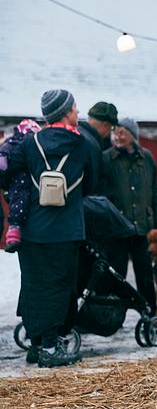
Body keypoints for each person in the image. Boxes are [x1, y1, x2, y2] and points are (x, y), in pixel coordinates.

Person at [9, 89, 95, 367]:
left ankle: (36, 344)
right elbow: (93, 183)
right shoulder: (84, 145)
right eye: (75, 108)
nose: (78, 112)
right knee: (59, 286)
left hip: (33, 228)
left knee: (34, 286)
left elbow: (11, 174)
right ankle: (51, 345)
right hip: (66, 228)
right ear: (66, 112)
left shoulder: (30, 143)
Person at [103, 118, 157, 316]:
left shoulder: (146, 158)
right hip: (117, 228)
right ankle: (115, 317)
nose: (117, 137)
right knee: (116, 275)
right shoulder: (107, 159)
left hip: (143, 228)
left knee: (145, 275)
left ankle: (150, 315)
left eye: (122, 133)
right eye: (116, 133)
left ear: (132, 136)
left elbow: (156, 192)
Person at [0, 119, 43, 252]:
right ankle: (13, 234)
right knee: (19, 203)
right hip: (21, 181)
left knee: (19, 202)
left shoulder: (12, 143)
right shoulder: (19, 143)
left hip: (19, 181)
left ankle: (14, 233)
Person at [78, 101, 118, 193]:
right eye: (111, 128)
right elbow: (92, 185)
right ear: (106, 125)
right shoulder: (93, 146)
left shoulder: (74, 134)